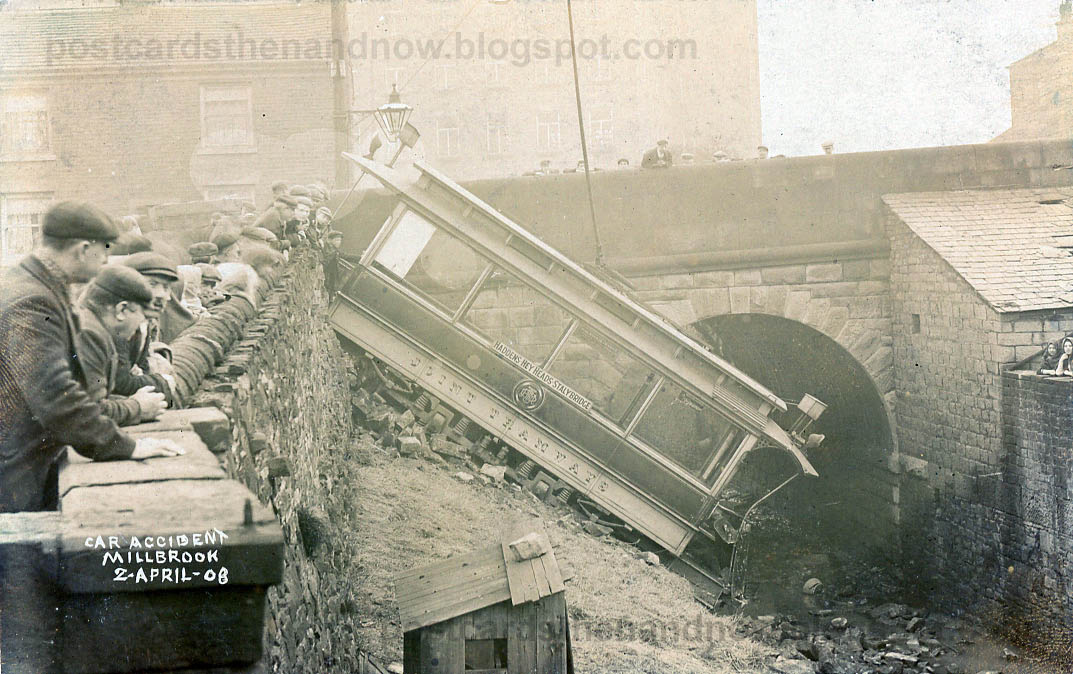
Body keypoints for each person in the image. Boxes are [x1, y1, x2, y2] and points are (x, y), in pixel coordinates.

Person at [0, 202, 183, 513]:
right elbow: (55, 395)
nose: (107, 261)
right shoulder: (32, 300)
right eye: (104, 251)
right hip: (14, 473)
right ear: (83, 249)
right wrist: (128, 446)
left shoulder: (36, 284)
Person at [76, 266, 167, 427]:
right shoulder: (89, 335)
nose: (141, 324)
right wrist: (137, 407)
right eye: (143, 316)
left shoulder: (91, 326)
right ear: (122, 310)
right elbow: (86, 414)